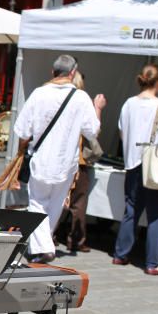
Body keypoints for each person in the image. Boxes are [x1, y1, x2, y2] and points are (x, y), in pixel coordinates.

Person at [14, 55, 105, 264]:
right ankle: (43, 246)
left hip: (43, 159)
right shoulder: (81, 98)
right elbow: (93, 131)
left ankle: (43, 247)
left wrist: (21, 151)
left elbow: (22, 129)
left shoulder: (39, 94)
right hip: (66, 163)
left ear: (53, 71)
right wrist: (98, 108)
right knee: (55, 204)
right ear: (72, 73)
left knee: (37, 203)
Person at [113, 64, 158, 276]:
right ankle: (152, 263)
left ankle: (120, 253)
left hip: (133, 162)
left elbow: (122, 133)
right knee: (156, 214)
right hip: (156, 164)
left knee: (131, 210)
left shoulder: (128, 104)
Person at [61, 71, 95, 253]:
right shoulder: (83, 102)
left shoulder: (58, 100)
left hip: (59, 159)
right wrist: (97, 108)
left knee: (56, 200)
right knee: (78, 203)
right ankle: (76, 240)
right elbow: (93, 130)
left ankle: (48, 236)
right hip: (77, 160)